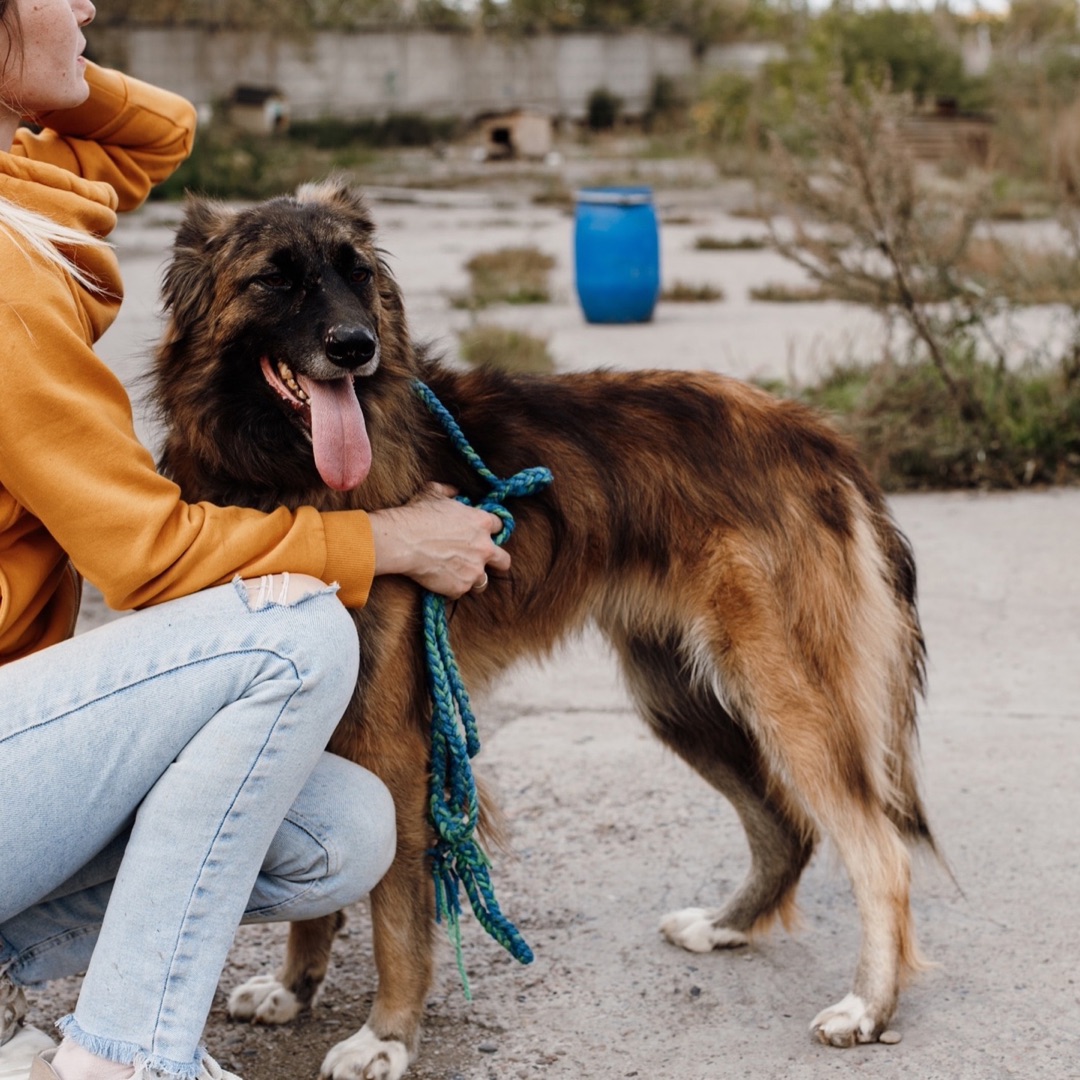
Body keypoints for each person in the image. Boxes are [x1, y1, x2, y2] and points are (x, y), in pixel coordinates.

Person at [0, 3, 511, 1080]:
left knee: (344, 830)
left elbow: (163, 133)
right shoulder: (5, 277)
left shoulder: (25, 188)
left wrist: (34, 70)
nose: (87, 5)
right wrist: (388, 541)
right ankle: (130, 1053)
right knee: (298, 635)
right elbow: (144, 556)